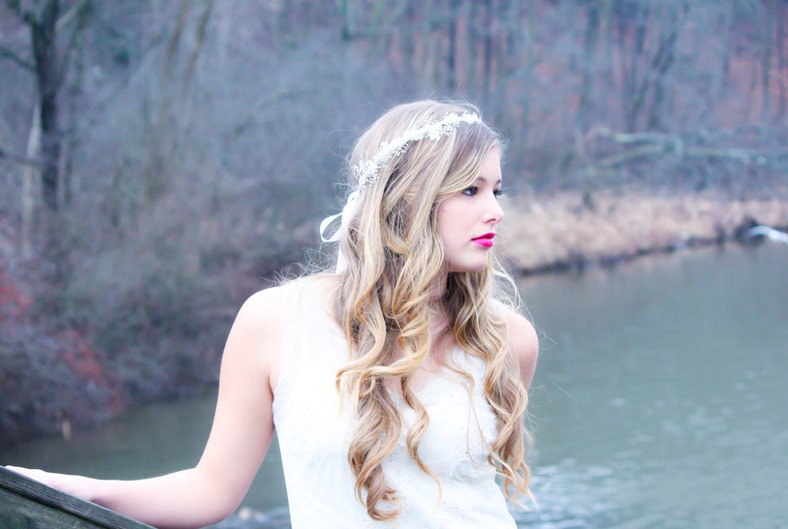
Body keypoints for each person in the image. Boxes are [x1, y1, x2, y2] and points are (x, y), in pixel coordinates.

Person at [6, 99, 539, 529]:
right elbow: (211, 489)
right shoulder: (276, 322)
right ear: (408, 198)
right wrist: (78, 491)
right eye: (470, 189)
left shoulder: (506, 340)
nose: (494, 209)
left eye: (497, 189)